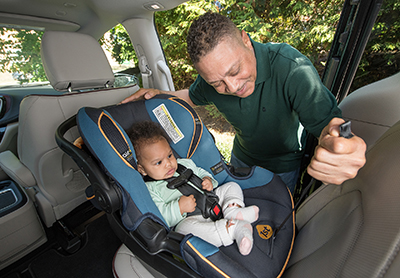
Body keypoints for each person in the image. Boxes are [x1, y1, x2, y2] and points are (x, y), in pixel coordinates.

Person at [122, 12, 366, 192]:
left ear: (246, 40)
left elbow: (328, 124)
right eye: (218, 83)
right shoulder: (212, 81)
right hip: (240, 160)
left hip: (283, 167)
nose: (232, 87)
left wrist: (342, 145)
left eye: (235, 70)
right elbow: (189, 97)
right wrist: (157, 95)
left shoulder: (292, 69)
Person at [128, 121, 259, 256]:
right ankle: (234, 229)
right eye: (158, 162)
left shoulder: (184, 164)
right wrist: (179, 208)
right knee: (183, 231)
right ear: (142, 169)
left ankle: (233, 211)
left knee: (232, 186)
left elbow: (201, 172)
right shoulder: (150, 189)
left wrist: (208, 181)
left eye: (169, 155)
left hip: (211, 199)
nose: (168, 164)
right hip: (191, 219)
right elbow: (162, 217)